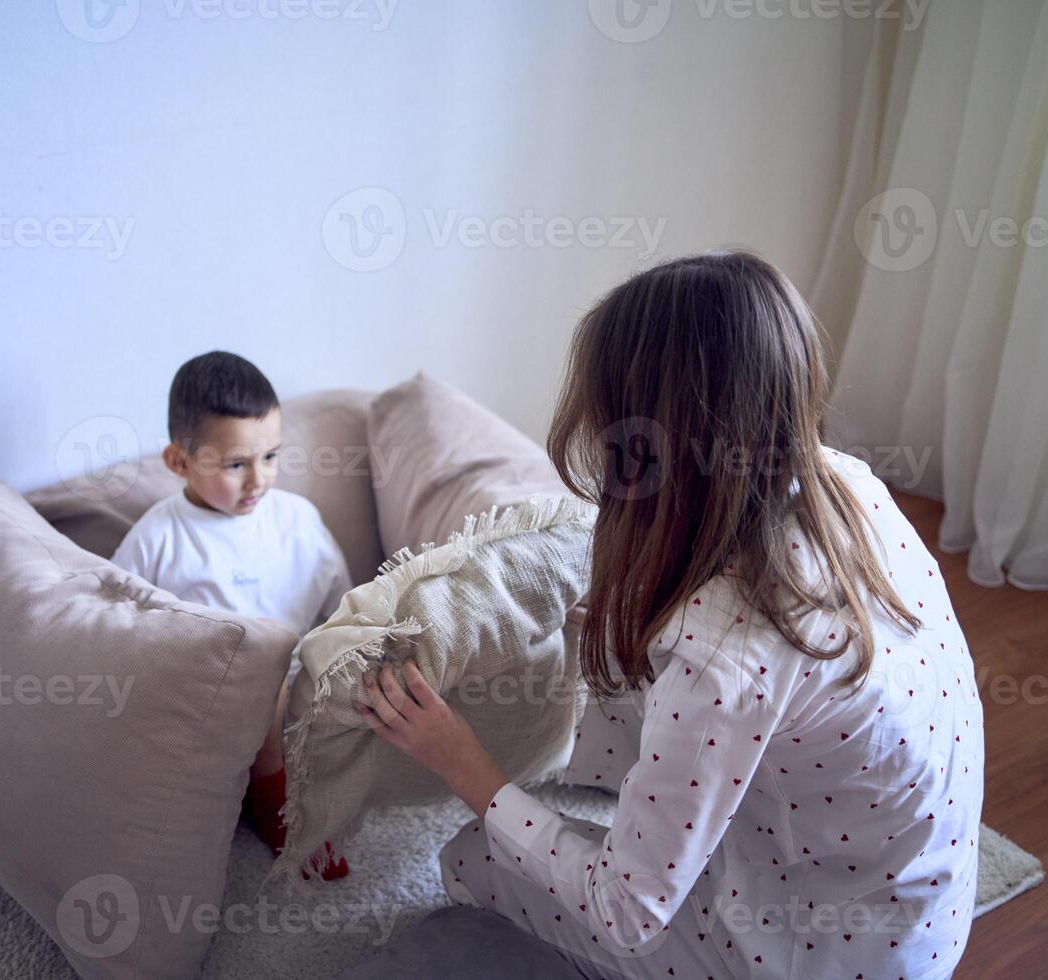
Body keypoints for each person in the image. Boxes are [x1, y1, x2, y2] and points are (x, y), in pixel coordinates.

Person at [357, 250, 983, 977]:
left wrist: (462, 762)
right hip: (917, 911)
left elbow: (625, 913)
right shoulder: (847, 482)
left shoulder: (722, 654)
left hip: (819, 954)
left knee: (472, 856)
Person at [113, 350, 352, 879]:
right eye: (236, 464)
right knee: (261, 684)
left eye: (270, 457)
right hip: (215, 695)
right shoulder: (159, 536)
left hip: (305, 682)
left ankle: (306, 779)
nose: (258, 480)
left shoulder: (296, 520)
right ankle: (277, 808)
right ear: (178, 461)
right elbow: (118, 623)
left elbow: (342, 601)